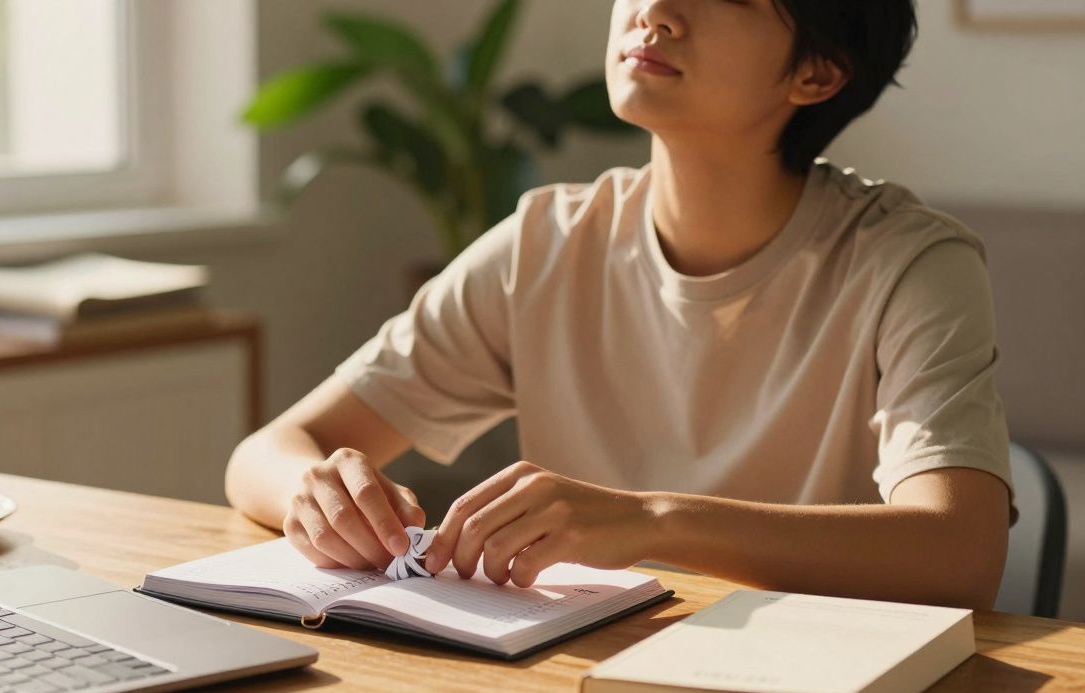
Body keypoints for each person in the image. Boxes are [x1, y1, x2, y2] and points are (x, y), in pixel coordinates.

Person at [226, 0, 1015, 609]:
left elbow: (961, 552)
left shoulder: (910, 262)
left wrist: (654, 521)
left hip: (810, 685)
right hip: (571, 671)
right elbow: (269, 450)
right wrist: (319, 492)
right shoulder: (545, 243)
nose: (656, 10)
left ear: (815, 73)